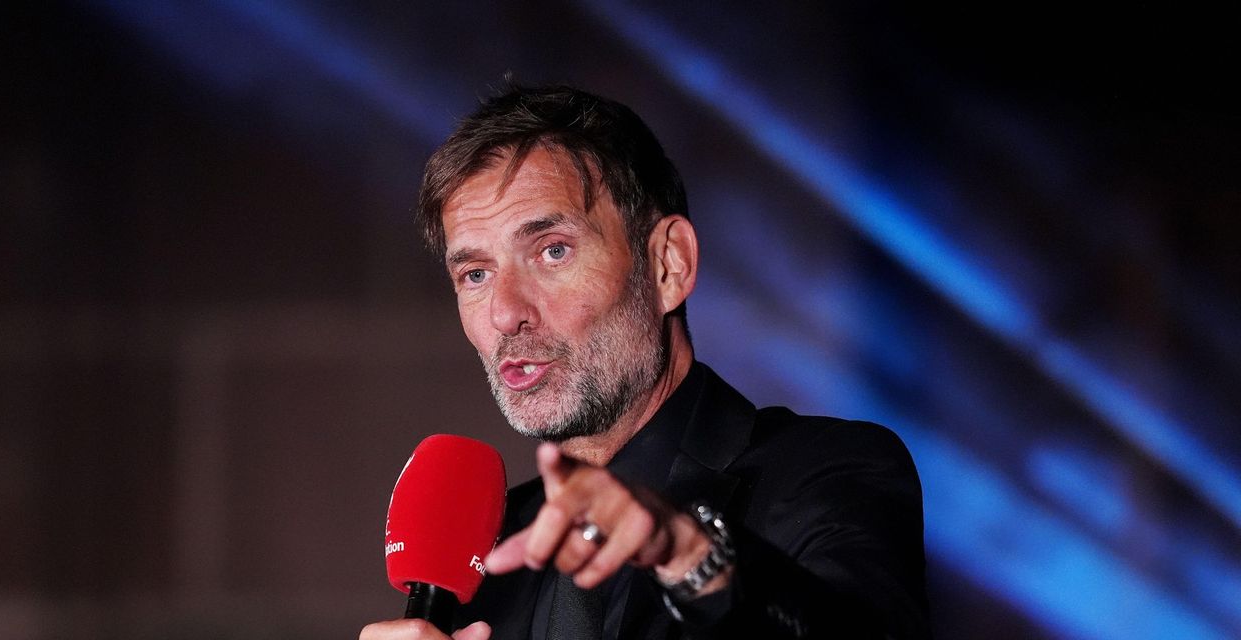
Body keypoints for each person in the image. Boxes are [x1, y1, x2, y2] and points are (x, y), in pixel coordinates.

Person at [360, 85, 930, 639]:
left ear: (668, 265)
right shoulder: (490, 550)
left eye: (553, 251)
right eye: (475, 274)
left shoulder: (828, 470)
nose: (506, 313)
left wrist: (690, 556)